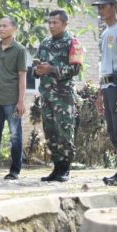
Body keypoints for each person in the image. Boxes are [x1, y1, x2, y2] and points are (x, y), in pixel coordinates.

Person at [34, 9, 82, 182]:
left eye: (55, 22)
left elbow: (75, 69)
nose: (51, 26)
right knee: (50, 132)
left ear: (65, 24)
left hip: (64, 96)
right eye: (50, 22)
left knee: (64, 131)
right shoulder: (45, 43)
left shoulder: (72, 42)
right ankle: (56, 168)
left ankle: (65, 169)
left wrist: (52, 69)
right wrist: (37, 70)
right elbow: (37, 64)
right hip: (47, 95)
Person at [0, 16, 27, 180]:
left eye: (4, 26)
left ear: (14, 28)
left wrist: (21, 100)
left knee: (15, 136)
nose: (1, 29)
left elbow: (22, 76)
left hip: (12, 100)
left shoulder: (20, 50)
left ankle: (15, 171)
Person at [93, 0, 117, 186]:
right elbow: (103, 65)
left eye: (103, 6)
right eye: (99, 7)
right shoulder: (105, 33)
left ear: (115, 6)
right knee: (112, 131)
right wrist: (100, 94)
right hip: (108, 87)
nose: (100, 10)